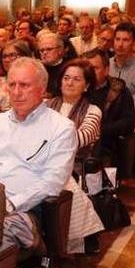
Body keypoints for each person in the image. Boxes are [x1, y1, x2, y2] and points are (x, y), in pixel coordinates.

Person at [0, 57, 77, 253]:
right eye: (12, 85)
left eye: (24, 85)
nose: (17, 92)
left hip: (25, 211)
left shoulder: (61, 128)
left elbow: (52, 182)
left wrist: (9, 204)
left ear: (42, 89)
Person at [47, 59, 104, 254]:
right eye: (66, 78)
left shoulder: (92, 111)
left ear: (86, 86)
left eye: (77, 79)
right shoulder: (45, 106)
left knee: (62, 182)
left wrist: (46, 142)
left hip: (74, 166)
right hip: (43, 161)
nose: (69, 83)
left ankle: (65, 239)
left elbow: (79, 139)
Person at [83, 48, 135, 162]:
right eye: (85, 68)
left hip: (106, 145)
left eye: (95, 68)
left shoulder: (118, 91)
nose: (89, 72)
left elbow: (128, 122)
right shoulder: (76, 90)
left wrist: (98, 131)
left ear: (106, 70)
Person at [0, 39, 33, 110]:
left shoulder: (35, 81)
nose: (7, 60)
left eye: (12, 55)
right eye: (4, 56)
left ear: (25, 56)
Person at [38, 32, 67, 98]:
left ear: (60, 50)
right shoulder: (37, 68)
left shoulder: (68, 68)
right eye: (42, 50)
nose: (45, 53)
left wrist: (52, 96)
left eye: (49, 49)